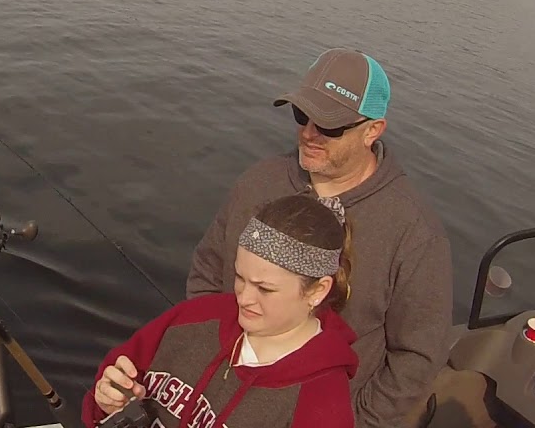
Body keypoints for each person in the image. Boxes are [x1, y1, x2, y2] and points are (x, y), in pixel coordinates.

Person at [184, 47, 452, 428]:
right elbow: (207, 272)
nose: (309, 133)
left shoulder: (415, 233)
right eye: (302, 115)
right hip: (220, 391)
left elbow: (418, 356)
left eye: (330, 125)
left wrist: (352, 420)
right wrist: (205, 357)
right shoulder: (258, 182)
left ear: (372, 130)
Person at [84, 195, 359, 428]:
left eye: (265, 289)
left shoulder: (323, 402)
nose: (244, 298)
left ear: (317, 291)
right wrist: (105, 401)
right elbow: (105, 393)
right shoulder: (195, 317)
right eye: (240, 277)